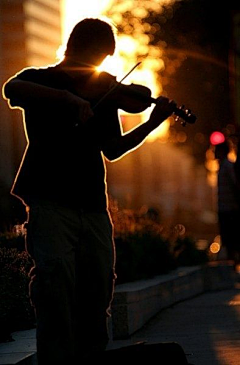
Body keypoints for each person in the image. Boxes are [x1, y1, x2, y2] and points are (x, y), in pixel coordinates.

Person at [2, 18, 177, 364]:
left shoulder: (104, 90)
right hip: (49, 200)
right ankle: (55, 359)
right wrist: (67, 98)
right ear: (83, 49)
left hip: (93, 204)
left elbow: (112, 148)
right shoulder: (41, 80)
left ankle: (92, 357)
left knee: (99, 285)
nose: (103, 68)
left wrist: (152, 123)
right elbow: (11, 88)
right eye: (100, 58)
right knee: (55, 282)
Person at [215, 140, 240, 268]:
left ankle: (234, 266)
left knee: (231, 239)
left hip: (230, 209)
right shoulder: (221, 167)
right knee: (227, 239)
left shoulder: (228, 166)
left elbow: (235, 185)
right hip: (224, 209)